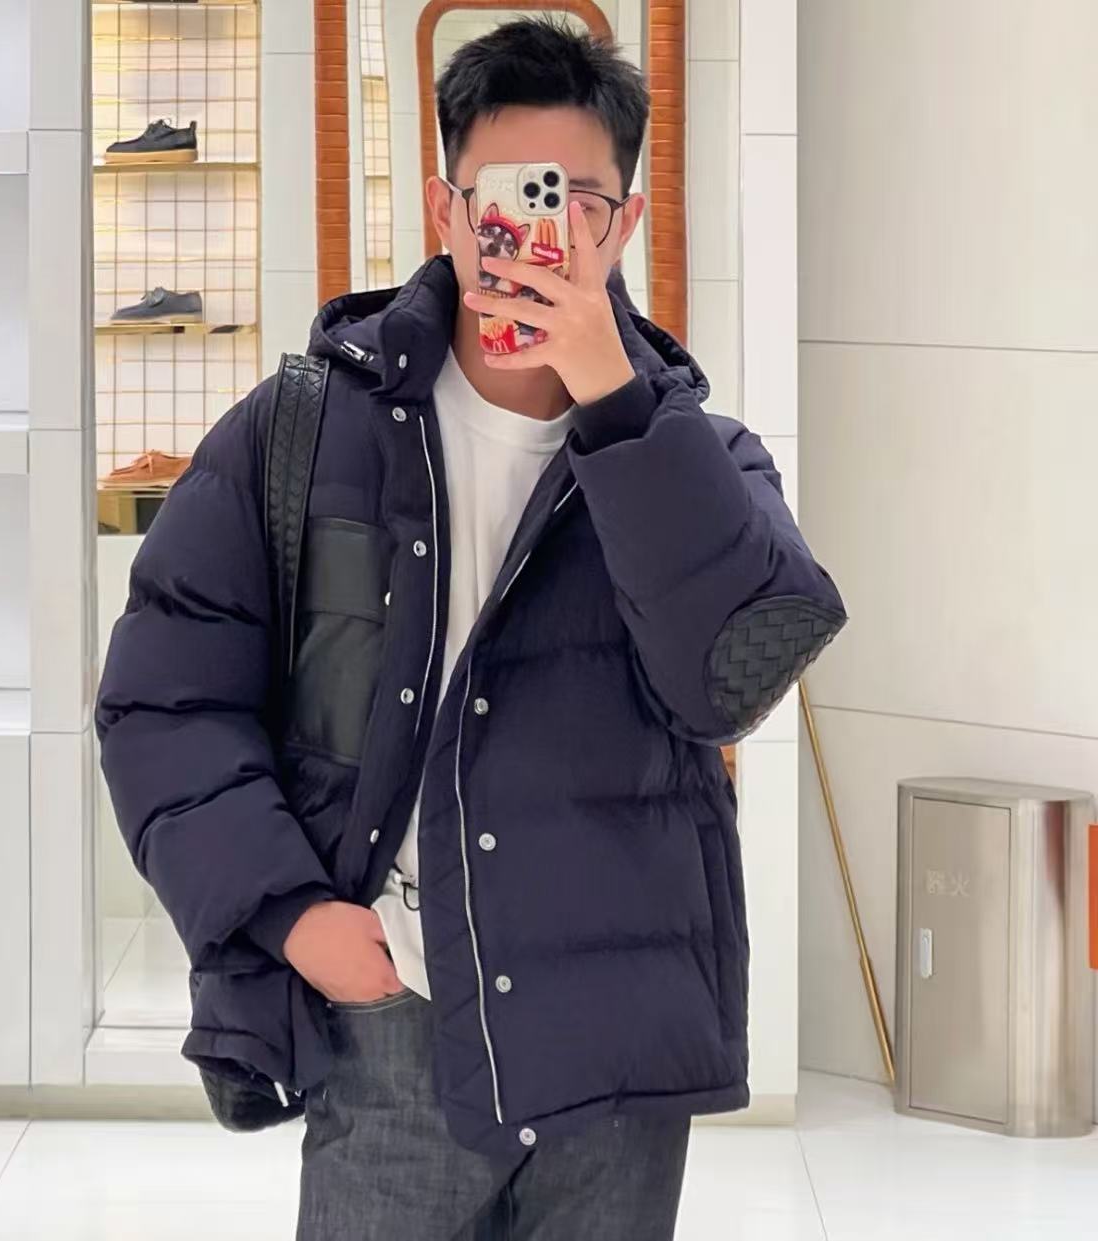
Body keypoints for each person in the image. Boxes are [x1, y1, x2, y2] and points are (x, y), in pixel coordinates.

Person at [96, 18, 847, 1240]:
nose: (535, 234)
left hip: (615, 1046)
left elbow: (727, 679)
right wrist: (292, 915)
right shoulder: (301, 429)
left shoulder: (698, 455)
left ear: (622, 223)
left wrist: (618, 406)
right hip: (392, 1024)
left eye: (573, 202)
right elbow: (161, 702)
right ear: (445, 209)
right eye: (502, 198)